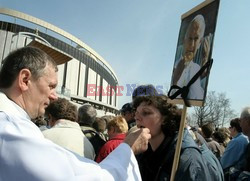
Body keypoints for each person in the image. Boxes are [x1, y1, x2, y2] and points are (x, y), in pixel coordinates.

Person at [0, 46, 151, 180]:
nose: (55, 96)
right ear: (25, 80)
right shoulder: (10, 129)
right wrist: (127, 149)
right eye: (51, 86)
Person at [133, 93, 223, 181]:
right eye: (136, 113)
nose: (137, 117)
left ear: (164, 118)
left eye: (146, 112)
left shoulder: (186, 158)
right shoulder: (142, 152)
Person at [171, 14, 211, 100]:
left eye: (196, 39)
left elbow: (197, 96)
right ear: (184, 39)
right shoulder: (176, 64)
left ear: (200, 43)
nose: (192, 45)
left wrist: (205, 59)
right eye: (190, 38)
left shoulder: (197, 68)